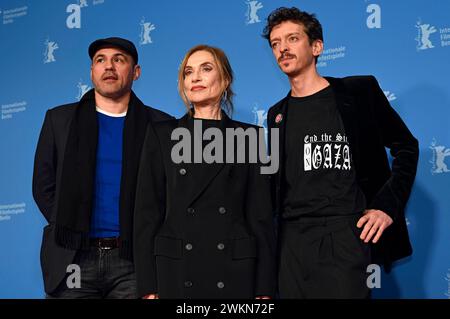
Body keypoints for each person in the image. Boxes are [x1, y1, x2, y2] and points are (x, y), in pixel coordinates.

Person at [263, 7, 419, 298]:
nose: (282, 48)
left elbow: (406, 147)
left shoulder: (359, 92)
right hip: (291, 244)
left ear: (317, 46)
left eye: (292, 38)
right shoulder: (276, 114)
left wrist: (388, 205)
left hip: (345, 235)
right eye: (275, 43)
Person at [32, 37, 173, 298]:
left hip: (134, 260)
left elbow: (170, 193)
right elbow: (43, 186)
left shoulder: (162, 125)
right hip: (73, 258)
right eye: (100, 60)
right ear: (92, 71)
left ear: (136, 72)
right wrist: (67, 221)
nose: (109, 67)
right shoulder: (59, 119)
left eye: (119, 60)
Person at [133, 44, 276, 299]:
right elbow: (147, 214)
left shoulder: (250, 137)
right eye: (188, 72)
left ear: (225, 80)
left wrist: (264, 288)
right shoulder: (161, 134)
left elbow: (261, 217)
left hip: (235, 272)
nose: (195, 77)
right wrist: (148, 287)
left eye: (206, 69)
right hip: (176, 271)